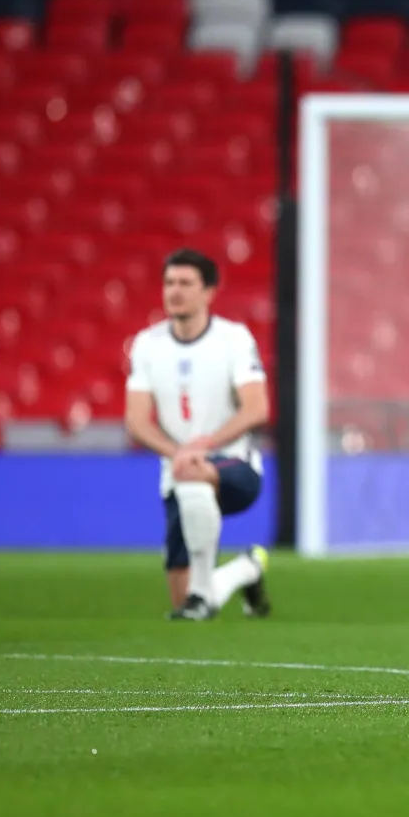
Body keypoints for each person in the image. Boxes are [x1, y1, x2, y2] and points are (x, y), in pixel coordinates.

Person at [124, 248, 272, 621]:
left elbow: (257, 409)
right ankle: (246, 569)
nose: (175, 291)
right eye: (169, 282)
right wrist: (178, 452)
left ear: (209, 292)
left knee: (192, 474)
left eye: (186, 283)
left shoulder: (234, 339)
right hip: (178, 470)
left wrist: (203, 446)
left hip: (234, 465)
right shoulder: (147, 344)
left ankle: (202, 599)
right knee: (182, 597)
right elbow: (137, 421)